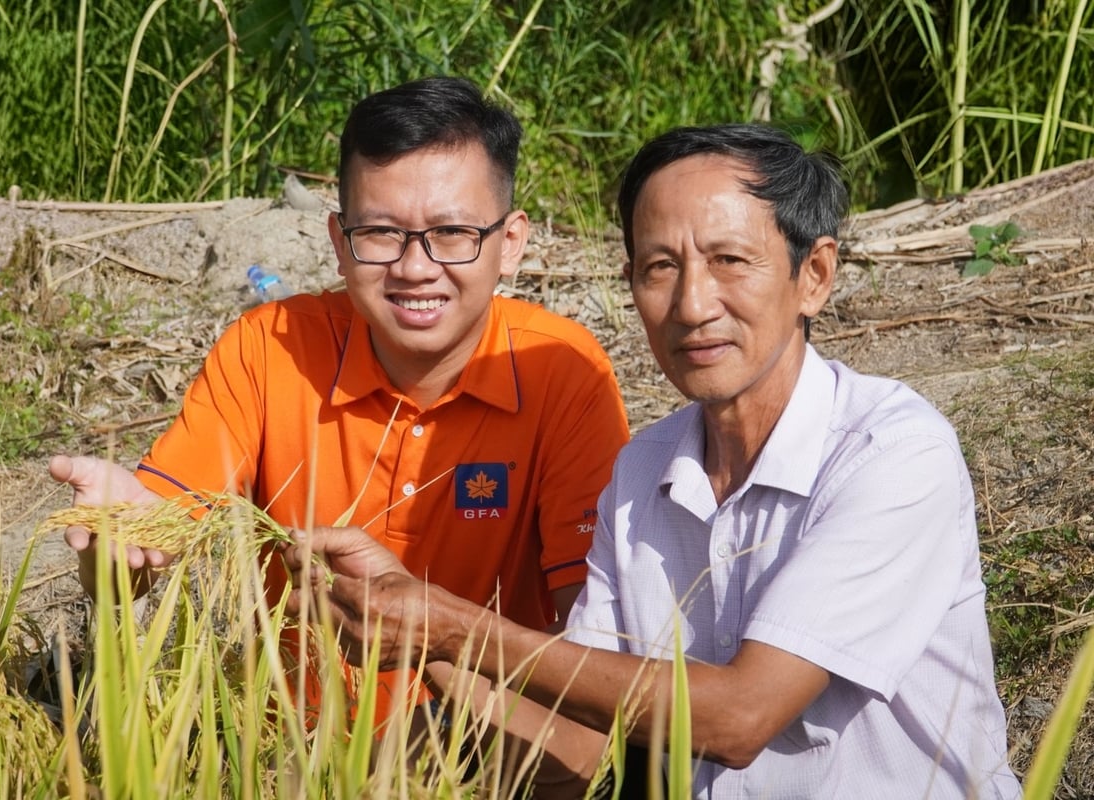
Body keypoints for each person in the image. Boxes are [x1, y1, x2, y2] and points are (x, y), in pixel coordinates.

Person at [304, 123, 1023, 798]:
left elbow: (738, 719)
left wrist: (452, 627)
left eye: (730, 261)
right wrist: (410, 628)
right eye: (659, 268)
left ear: (816, 276)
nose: (692, 303)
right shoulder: (644, 471)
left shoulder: (892, 453)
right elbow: (581, 743)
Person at [49, 76, 630, 723]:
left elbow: (597, 638)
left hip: (491, 748)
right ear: (336, 239)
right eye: (380, 233)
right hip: (295, 755)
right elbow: (138, 557)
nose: (415, 267)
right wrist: (116, 541)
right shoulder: (268, 349)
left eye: (453, 233)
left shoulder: (563, 373)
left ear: (511, 243)